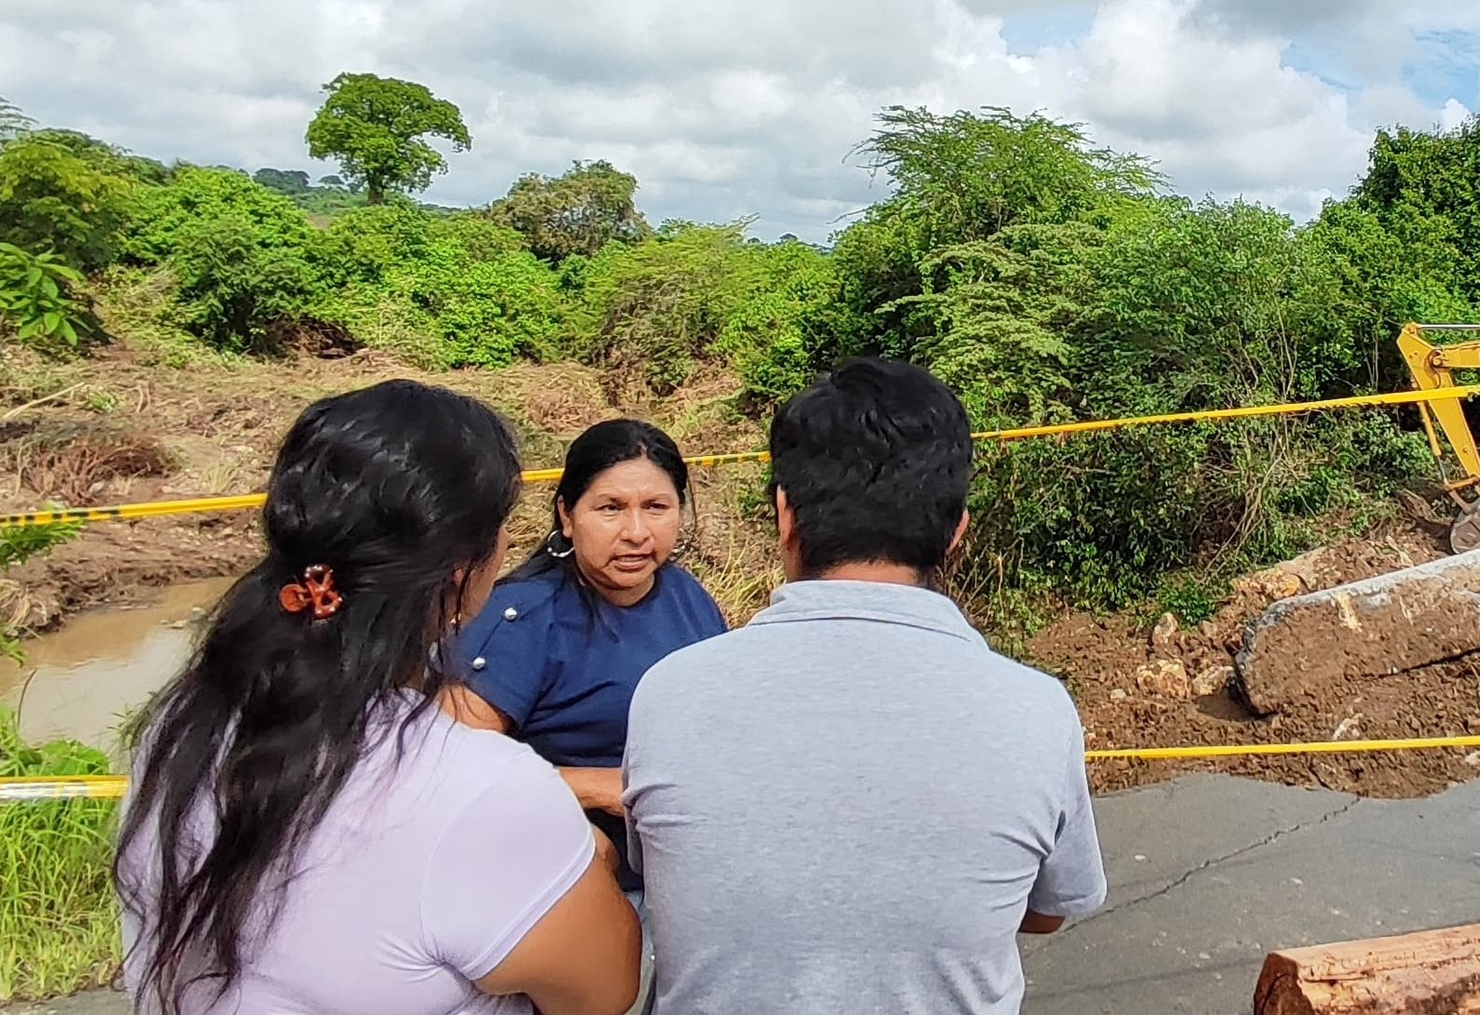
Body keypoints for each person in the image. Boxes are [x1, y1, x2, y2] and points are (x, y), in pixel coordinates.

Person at [115, 381, 642, 1015]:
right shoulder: (476, 787)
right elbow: (604, 992)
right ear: (461, 569)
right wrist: (584, 855)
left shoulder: (184, 721)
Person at [621, 357, 1108, 1015]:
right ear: (956, 530)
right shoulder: (1036, 709)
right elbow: (1049, 910)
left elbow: (666, 873)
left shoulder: (669, 692)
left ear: (785, 515)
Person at [446, 420, 728, 924]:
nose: (636, 532)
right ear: (567, 515)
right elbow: (448, 769)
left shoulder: (688, 599)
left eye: (656, 507)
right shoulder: (522, 616)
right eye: (610, 508)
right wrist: (600, 787)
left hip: (684, 879)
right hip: (567, 889)